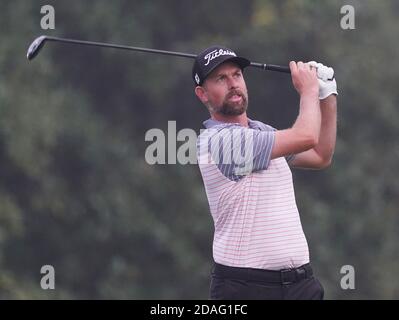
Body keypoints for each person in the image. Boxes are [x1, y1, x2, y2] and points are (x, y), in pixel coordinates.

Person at [193, 46, 337, 300]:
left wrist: (328, 94)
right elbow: (306, 136)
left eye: (236, 75)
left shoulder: (262, 131)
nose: (232, 84)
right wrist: (309, 90)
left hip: (301, 285)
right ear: (202, 94)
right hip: (246, 287)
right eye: (220, 79)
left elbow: (320, 155)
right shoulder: (218, 141)